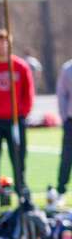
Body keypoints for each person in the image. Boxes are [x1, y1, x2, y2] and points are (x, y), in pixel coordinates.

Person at [0, 29, 34, 207]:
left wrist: (22, 112)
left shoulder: (20, 66)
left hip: (15, 120)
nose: (0, 46)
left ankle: (21, 192)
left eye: (4, 42)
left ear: (9, 44)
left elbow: (28, 93)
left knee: (18, 157)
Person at [50, 57, 72, 208]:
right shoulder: (68, 69)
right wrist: (65, 118)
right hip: (71, 121)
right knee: (66, 158)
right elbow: (61, 95)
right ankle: (60, 191)